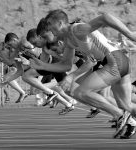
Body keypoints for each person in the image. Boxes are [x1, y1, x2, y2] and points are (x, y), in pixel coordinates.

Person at [29, 10, 136, 138]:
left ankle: (119, 115)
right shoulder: (69, 40)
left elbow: (105, 17)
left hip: (114, 61)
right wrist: (44, 66)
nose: (51, 31)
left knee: (80, 92)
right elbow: (66, 65)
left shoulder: (76, 30)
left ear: (60, 23)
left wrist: (130, 35)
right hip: (120, 60)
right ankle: (125, 117)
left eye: (51, 26)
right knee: (126, 105)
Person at [1, 32, 75, 113]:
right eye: (9, 46)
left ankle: (59, 93)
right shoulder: (17, 52)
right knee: (35, 84)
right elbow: (19, 71)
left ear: (15, 40)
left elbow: (39, 50)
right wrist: (7, 81)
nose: (11, 47)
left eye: (10, 44)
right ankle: (67, 104)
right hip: (43, 65)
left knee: (67, 89)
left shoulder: (24, 41)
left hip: (50, 62)